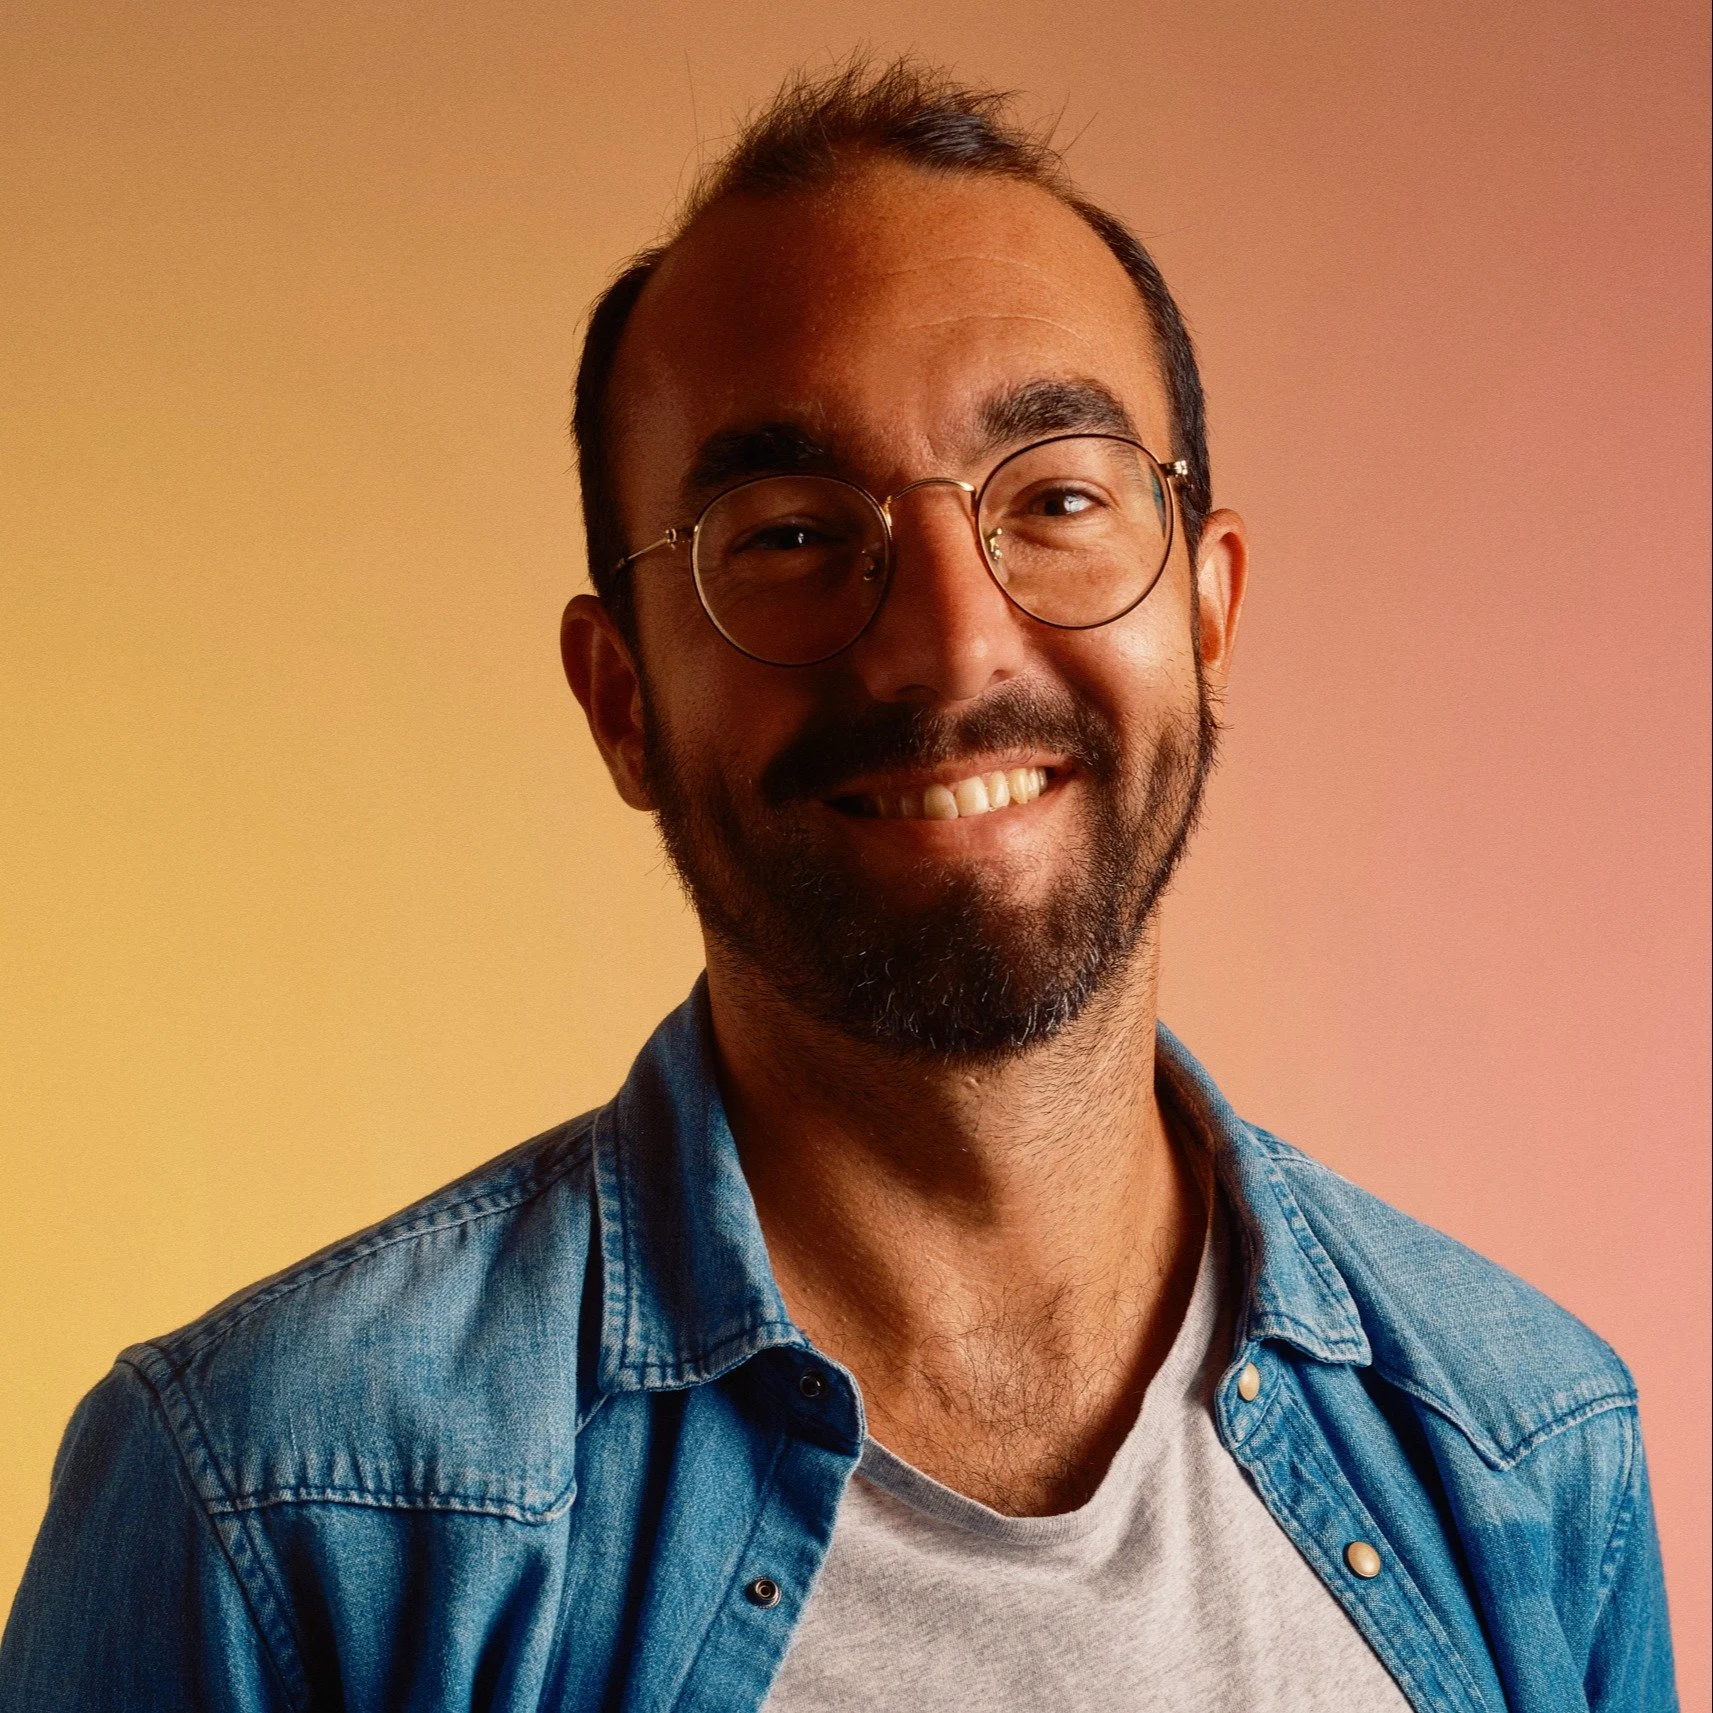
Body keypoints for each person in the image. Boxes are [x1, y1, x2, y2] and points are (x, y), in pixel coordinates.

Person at [0, 58, 1677, 1713]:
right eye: (792, 535)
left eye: (1060, 499)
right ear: (624, 700)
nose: (949, 641)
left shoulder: (1527, 1446)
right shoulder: (281, 1506)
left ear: (1210, 610)